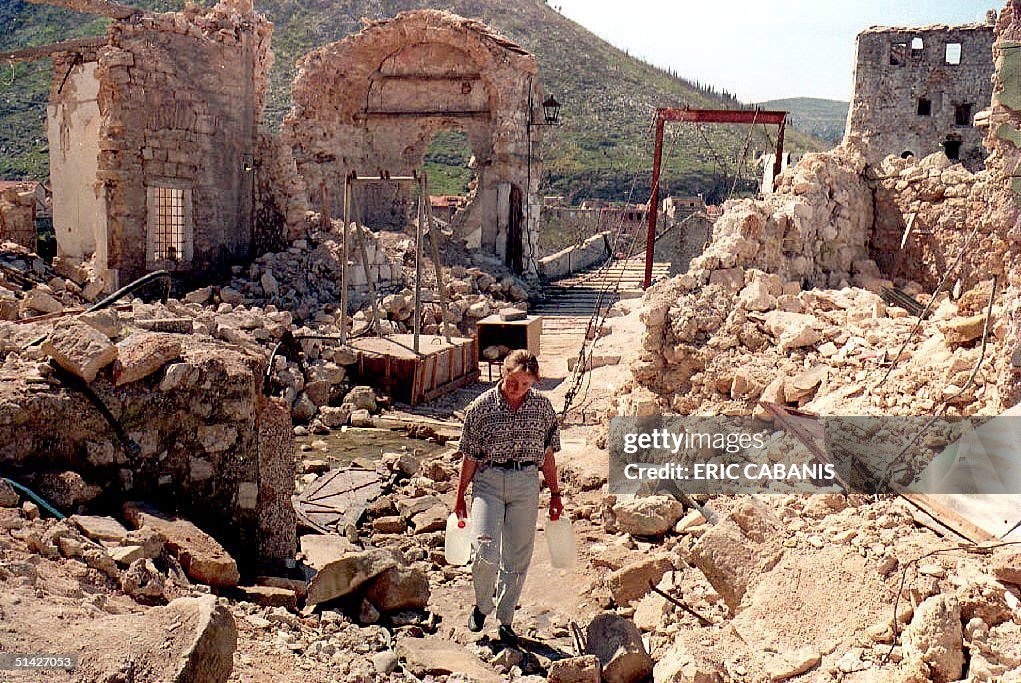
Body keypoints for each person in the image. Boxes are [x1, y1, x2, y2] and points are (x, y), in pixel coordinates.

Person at [453, 349, 563, 645]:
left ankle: (505, 620)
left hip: (526, 483)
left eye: (527, 384)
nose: (519, 389)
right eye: (515, 381)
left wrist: (555, 493)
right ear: (504, 372)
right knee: (485, 552)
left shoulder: (542, 408)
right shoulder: (481, 407)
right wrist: (460, 496)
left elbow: (548, 455)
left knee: (517, 556)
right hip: (488, 482)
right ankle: (482, 605)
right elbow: (470, 456)